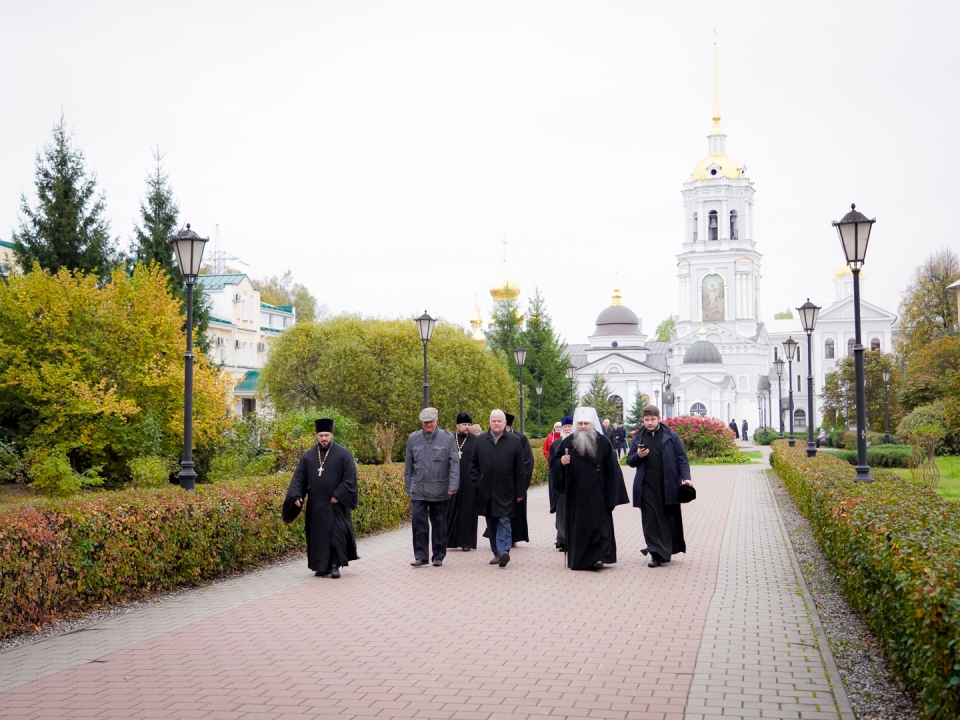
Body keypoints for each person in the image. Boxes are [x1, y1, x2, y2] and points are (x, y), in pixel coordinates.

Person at [550, 407, 629, 570]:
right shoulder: (567, 442)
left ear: (592, 424)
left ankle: (599, 558)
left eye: (586, 423)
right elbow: (554, 462)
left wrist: (611, 496)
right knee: (580, 528)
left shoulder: (603, 442)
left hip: (598, 494)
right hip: (576, 495)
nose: (583, 427)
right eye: (580, 424)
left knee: (600, 527)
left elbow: (612, 470)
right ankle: (580, 559)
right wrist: (561, 463)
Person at [282, 418, 359, 578]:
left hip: (335, 505)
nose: (324, 438)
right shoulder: (308, 456)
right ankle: (321, 566)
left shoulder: (344, 454)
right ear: (317, 436)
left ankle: (334, 565)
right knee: (318, 537)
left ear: (332, 435)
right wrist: (296, 495)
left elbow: (350, 478)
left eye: (327, 435)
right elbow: (298, 478)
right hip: (316, 506)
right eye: (321, 435)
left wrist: (339, 494)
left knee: (336, 535)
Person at [626, 405, 693, 568]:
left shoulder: (670, 436)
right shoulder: (638, 438)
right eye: (646, 420)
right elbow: (629, 461)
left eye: (652, 419)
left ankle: (665, 551)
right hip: (646, 485)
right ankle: (655, 554)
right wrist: (638, 456)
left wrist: (686, 478)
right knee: (650, 520)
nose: (649, 423)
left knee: (666, 519)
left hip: (667, 484)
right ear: (643, 420)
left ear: (658, 418)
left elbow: (682, 458)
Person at [403, 407, 460, 567]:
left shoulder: (447, 438)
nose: (428, 424)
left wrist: (453, 485)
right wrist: (409, 487)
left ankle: (438, 556)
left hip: (440, 489)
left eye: (430, 422)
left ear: (437, 421)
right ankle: (421, 556)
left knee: (439, 524)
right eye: (425, 422)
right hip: (418, 490)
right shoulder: (413, 438)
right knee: (418, 524)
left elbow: (454, 464)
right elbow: (408, 466)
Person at [470, 409, 525, 568]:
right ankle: (496, 552)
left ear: (505, 423)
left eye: (499, 421)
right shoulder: (480, 440)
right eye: (493, 421)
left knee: (504, 520)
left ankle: (503, 551)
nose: (496, 423)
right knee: (491, 521)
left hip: (506, 489)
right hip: (485, 490)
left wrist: (520, 491)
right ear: (490, 422)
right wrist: (477, 483)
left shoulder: (514, 441)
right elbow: (473, 465)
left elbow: (520, 469)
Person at [447, 411, 479, 552]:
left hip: (469, 481)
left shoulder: (475, 440)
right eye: (464, 424)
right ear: (457, 425)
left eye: (468, 424)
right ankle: (449, 540)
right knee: (450, 510)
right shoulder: (449, 439)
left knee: (468, 512)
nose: (467, 427)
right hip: (451, 480)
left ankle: (467, 542)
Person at [503, 412, 533, 546]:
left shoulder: (520, 438)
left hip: (516, 483)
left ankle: (513, 537)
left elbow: (527, 462)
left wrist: (521, 484)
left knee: (515, 512)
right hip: (499, 484)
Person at [547, 416, 574, 550]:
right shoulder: (556, 444)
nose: (568, 429)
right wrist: (560, 462)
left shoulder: (577, 442)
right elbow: (552, 463)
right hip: (561, 483)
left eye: (570, 426)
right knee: (562, 512)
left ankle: (573, 538)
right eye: (565, 427)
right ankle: (563, 539)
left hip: (575, 483)